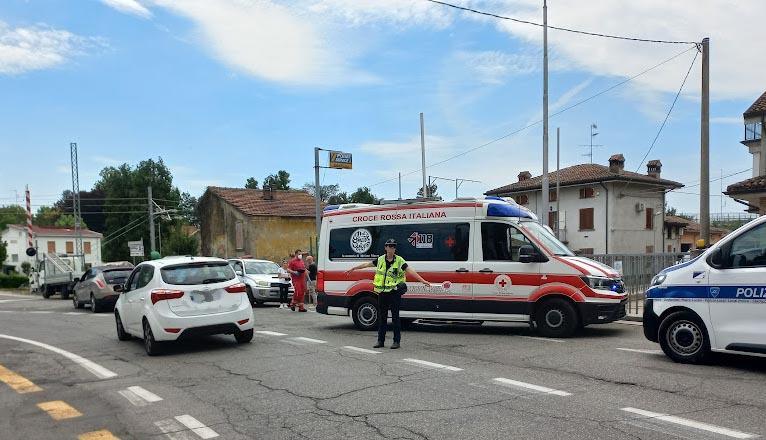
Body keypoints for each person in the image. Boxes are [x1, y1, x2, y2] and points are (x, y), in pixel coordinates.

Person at [345, 239, 430, 349]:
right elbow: (367, 264)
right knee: (382, 317)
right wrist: (354, 268)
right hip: (383, 293)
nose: (392, 248)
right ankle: (380, 341)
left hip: (394, 293)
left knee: (395, 317)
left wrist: (423, 281)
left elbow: (410, 271)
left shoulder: (399, 260)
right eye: (390, 246)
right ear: (385, 247)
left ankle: (396, 341)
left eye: (393, 246)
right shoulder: (380, 259)